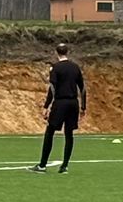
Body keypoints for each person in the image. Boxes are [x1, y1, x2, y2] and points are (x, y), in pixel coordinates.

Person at [30, 42, 87, 174]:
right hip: (73, 103)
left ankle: (42, 165)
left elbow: (52, 88)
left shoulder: (55, 68)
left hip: (60, 102)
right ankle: (64, 166)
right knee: (69, 134)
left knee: (50, 132)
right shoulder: (75, 67)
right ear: (67, 52)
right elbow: (83, 88)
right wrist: (83, 106)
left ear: (56, 53)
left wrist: (46, 106)